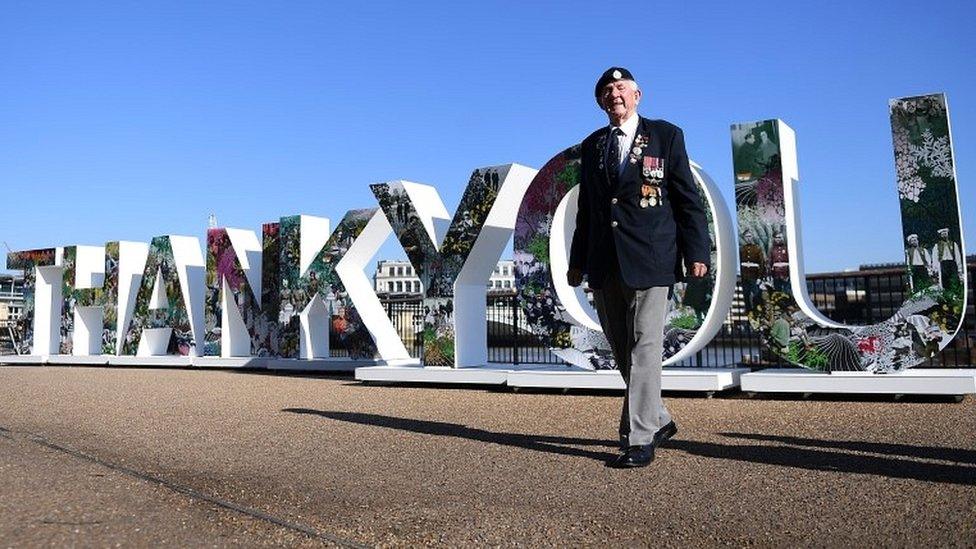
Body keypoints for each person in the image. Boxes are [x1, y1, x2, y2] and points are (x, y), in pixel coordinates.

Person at [568, 67, 710, 468]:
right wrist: (578, 261)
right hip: (604, 260)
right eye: (607, 91)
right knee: (621, 348)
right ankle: (659, 419)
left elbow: (687, 199)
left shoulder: (666, 135)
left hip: (651, 257)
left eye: (621, 88)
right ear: (600, 102)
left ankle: (639, 437)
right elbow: (588, 211)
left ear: (637, 95)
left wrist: (697, 251)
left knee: (645, 344)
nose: (615, 94)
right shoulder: (592, 144)